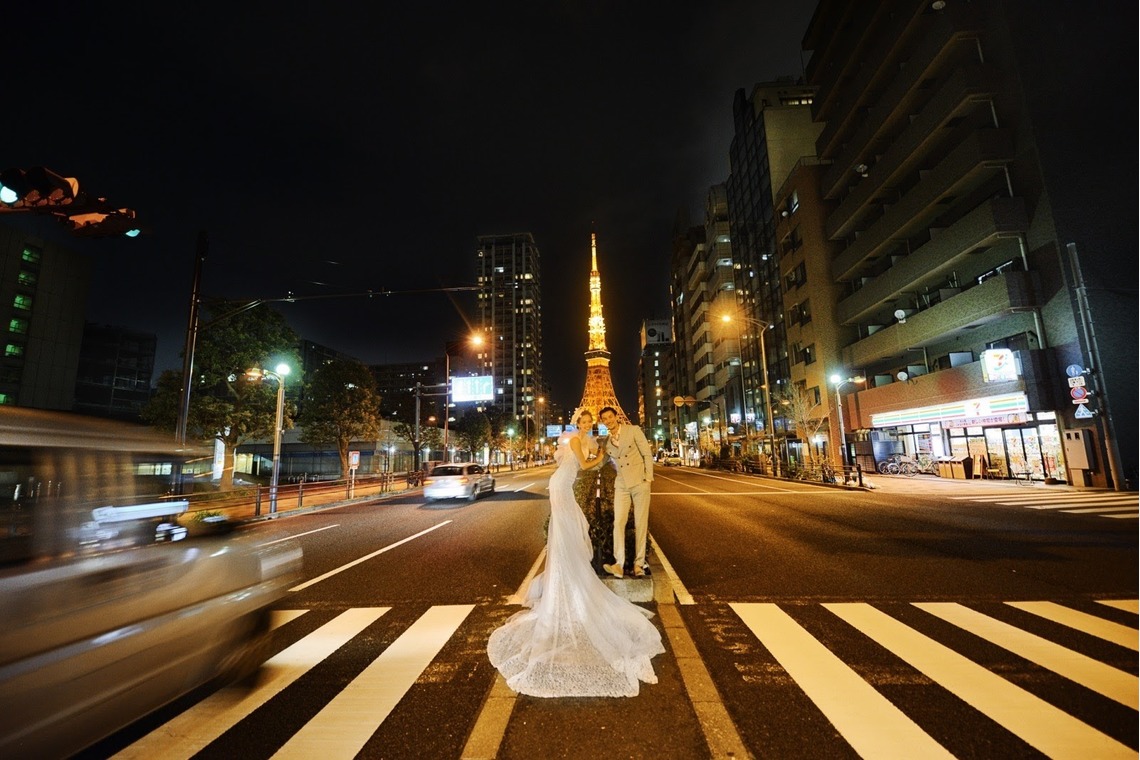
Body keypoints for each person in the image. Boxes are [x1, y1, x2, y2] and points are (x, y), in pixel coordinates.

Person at [487, 408, 664, 698]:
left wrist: (608, 459)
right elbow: (584, 465)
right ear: (576, 423)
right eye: (584, 421)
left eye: (590, 422)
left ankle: (567, 578)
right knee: (569, 528)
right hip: (561, 487)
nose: (588, 424)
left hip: (569, 487)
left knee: (569, 530)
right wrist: (602, 458)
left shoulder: (590, 439)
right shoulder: (574, 440)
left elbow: (593, 464)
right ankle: (567, 581)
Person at [598, 406, 654, 579]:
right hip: (621, 484)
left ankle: (639, 564)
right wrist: (579, 459)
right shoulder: (606, 442)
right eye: (604, 419)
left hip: (639, 482)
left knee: (640, 524)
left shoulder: (633, 430)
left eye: (610, 417)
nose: (608, 420)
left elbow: (646, 453)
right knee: (619, 523)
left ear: (617, 416)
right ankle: (619, 564)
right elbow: (601, 463)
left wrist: (648, 478)